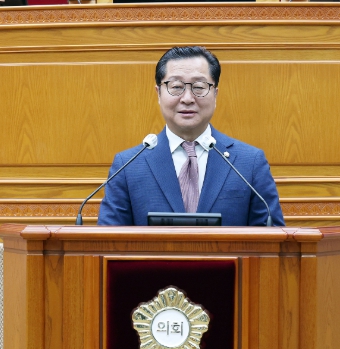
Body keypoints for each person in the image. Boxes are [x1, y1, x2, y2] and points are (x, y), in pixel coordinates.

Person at [97, 46, 284, 227]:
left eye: (199, 87)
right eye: (176, 87)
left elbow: (273, 240)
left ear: (215, 94)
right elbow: (108, 241)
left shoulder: (250, 163)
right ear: (158, 93)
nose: (187, 98)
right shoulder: (127, 166)